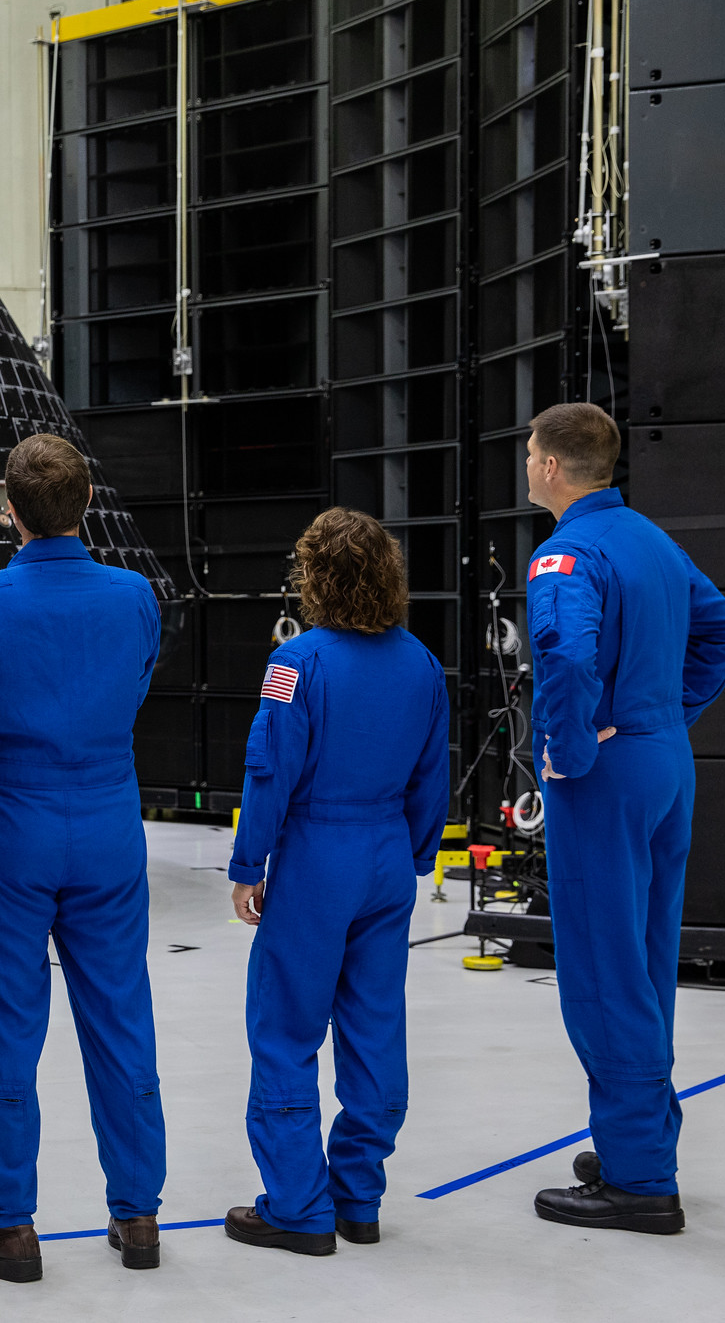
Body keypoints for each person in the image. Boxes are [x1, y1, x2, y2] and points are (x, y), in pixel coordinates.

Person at [0, 434, 166, 1284]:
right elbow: (138, 682)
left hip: (12, 823)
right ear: (89, 501)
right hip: (107, 817)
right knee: (119, 1013)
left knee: (6, 1018)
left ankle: (8, 1221)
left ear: (8, 511)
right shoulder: (136, 595)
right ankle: (137, 1213)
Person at [521, 402, 725, 1234]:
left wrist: (571, 752)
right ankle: (638, 1139)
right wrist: (663, 713)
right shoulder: (652, 539)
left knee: (605, 972)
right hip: (663, 764)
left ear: (549, 466)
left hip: (604, 778)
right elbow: (723, 630)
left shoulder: (564, 556)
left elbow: (569, 656)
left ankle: (641, 1181)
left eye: (531, 454)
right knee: (646, 962)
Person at [223, 507, 449, 1256]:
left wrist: (249, 863)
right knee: (375, 1025)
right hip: (387, 855)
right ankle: (358, 1196)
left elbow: (270, 769)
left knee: (286, 1027)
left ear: (314, 577)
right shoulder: (420, 662)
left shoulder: (298, 663)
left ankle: (296, 1205)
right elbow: (432, 774)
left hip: (319, 854)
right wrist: (415, 856)